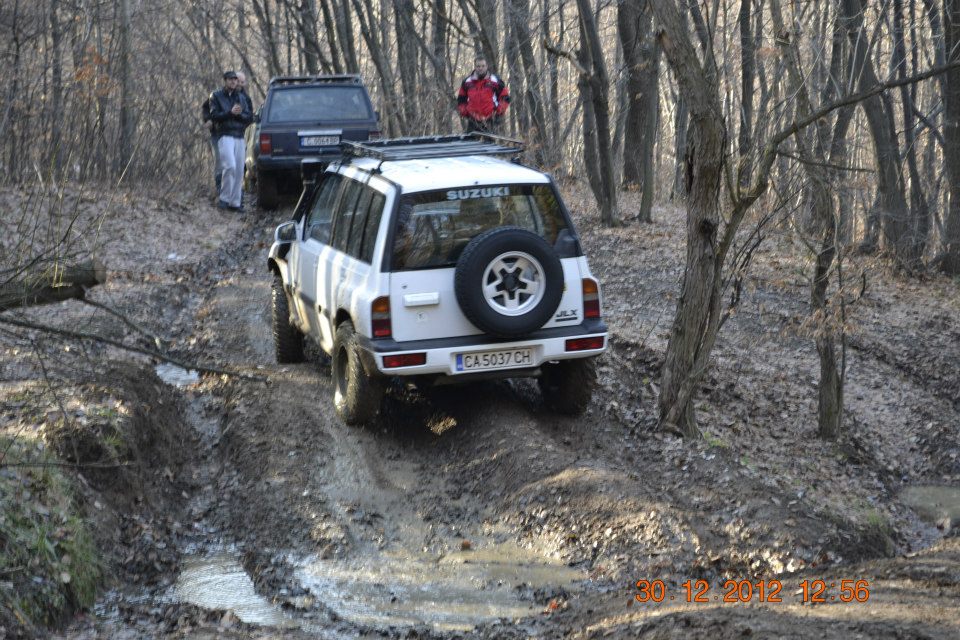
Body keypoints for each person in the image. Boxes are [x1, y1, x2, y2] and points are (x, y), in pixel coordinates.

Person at [208, 71, 253, 211]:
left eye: (235, 79)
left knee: (239, 170)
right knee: (230, 166)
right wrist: (230, 113)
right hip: (224, 134)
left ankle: (235, 203)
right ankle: (224, 199)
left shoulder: (242, 97)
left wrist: (238, 115)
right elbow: (214, 115)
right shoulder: (216, 96)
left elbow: (249, 117)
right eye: (230, 79)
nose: (233, 82)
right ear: (225, 80)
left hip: (239, 135)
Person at [456, 56, 510, 133]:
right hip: (472, 121)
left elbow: (505, 98)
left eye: (483, 66)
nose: (480, 68)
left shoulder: (495, 81)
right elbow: (461, 99)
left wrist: (498, 112)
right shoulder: (467, 82)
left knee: (491, 141)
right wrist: (465, 112)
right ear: (475, 67)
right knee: (470, 141)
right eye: (478, 66)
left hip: (490, 120)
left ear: (486, 66)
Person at [200, 93, 221, 194]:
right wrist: (208, 120)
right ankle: (219, 187)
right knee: (219, 159)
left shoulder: (241, 96)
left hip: (234, 134)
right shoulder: (217, 95)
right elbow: (205, 108)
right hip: (217, 133)